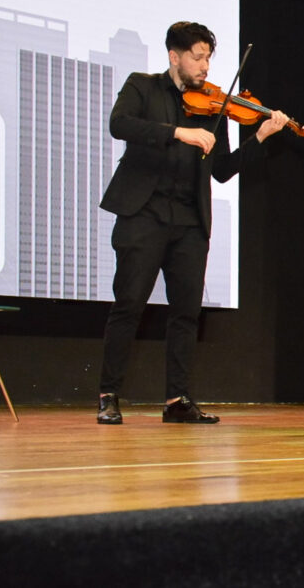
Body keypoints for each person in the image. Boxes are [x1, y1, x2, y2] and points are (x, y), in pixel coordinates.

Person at [96, 21, 289, 425]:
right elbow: (120, 124)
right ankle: (109, 395)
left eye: (208, 58)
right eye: (197, 57)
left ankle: (177, 401)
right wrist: (178, 132)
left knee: (186, 312)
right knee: (129, 304)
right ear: (174, 56)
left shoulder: (214, 106)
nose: (204, 66)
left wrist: (261, 137)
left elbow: (222, 170)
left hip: (189, 221)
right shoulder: (142, 86)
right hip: (143, 213)